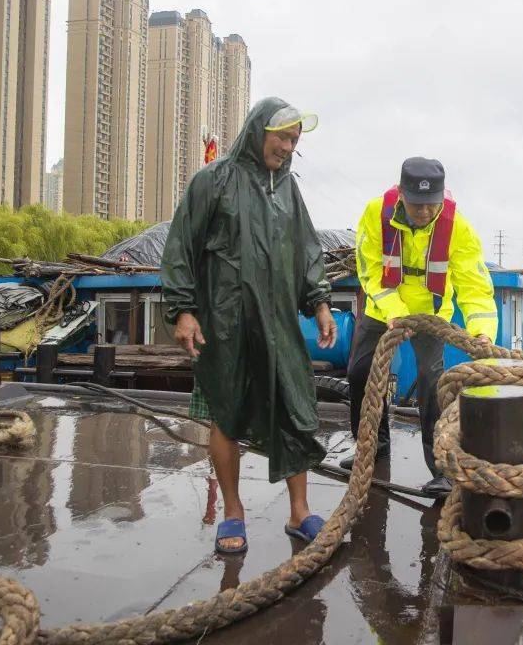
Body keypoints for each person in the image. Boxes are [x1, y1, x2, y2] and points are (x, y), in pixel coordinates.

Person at [161, 96, 337, 554]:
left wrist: (318, 303)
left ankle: (300, 512)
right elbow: (180, 247)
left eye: (295, 141)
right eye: (282, 136)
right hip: (225, 323)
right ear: (258, 130)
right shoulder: (213, 180)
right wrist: (183, 309)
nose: (288, 147)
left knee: (295, 411)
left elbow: (307, 251)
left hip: (278, 324)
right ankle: (233, 513)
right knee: (227, 413)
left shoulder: (288, 190)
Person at [345, 157, 497, 496]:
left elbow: (474, 284)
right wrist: (394, 312)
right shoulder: (375, 213)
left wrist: (482, 331)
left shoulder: (457, 226)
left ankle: (441, 468)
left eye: (432, 205)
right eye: (417, 205)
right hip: (382, 307)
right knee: (359, 372)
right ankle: (371, 445)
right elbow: (368, 269)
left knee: (432, 383)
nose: (425, 212)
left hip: (431, 313)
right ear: (400, 194)